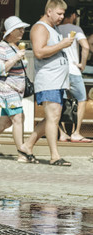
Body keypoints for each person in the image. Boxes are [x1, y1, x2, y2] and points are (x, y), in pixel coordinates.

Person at [18, 0, 74, 167]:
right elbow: (39, 52)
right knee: (53, 117)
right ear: (49, 11)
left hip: (58, 81)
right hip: (49, 81)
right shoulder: (40, 27)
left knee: (52, 118)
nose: (62, 17)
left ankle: (26, 147)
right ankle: (54, 156)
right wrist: (62, 44)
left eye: (63, 14)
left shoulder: (53, 28)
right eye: (59, 13)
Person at [0, 16, 32, 163]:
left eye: (23, 28)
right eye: (19, 29)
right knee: (18, 118)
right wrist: (15, 58)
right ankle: (22, 153)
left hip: (15, 90)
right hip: (6, 88)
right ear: (10, 32)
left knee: (5, 123)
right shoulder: (1, 47)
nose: (22, 31)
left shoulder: (16, 46)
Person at [57, 7, 92, 143]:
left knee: (62, 102)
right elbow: (86, 46)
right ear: (71, 15)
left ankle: (62, 133)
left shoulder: (55, 29)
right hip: (73, 70)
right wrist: (82, 64)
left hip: (60, 71)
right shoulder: (75, 29)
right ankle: (76, 133)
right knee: (82, 100)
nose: (76, 18)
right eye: (76, 15)